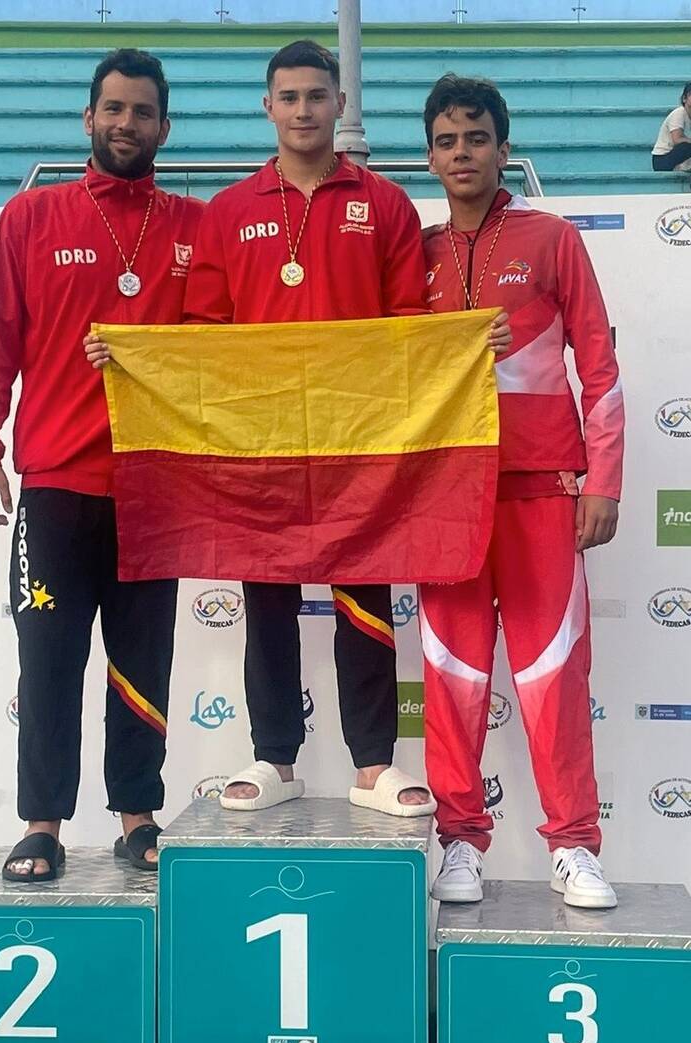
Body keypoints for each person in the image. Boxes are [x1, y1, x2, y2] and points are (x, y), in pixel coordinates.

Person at [86, 41, 511, 818]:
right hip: (262, 447)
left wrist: (463, 345)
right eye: (290, 97)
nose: (305, 110)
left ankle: (373, 765)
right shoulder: (230, 212)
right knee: (269, 600)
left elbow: (411, 328)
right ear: (268, 107)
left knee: (364, 601)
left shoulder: (382, 204)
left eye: (319, 95)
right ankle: (274, 757)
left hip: (362, 444)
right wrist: (130, 355)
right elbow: (205, 335)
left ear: (340, 104)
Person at [0, 48, 204, 881]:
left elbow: (221, 352)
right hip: (58, 486)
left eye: (142, 112)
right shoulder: (32, 218)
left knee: (143, 663)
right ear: (87, 119)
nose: (126, 124)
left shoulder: (192, 226)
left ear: (165, 127)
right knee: (51, 659)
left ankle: (138, 815)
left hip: (154, 487)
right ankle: (43, 825)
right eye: (113, 109)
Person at [419, 74, 624, 908]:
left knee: (552, 677)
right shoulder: (416, 255)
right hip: (445, 503)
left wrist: (602, 479)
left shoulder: (552, 240)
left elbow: (600, 368)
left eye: (475, 139)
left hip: (542, 491)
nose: (461, 153)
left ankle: (574, 845)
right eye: (446, 140)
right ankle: (460, 841)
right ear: (430, 156)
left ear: (504, 149)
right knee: (453, 678)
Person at [652, 82, 691, 172]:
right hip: (662, 160)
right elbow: (677, 139)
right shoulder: (679, 113)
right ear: (684, 98)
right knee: (686, 146)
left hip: (680, 158)